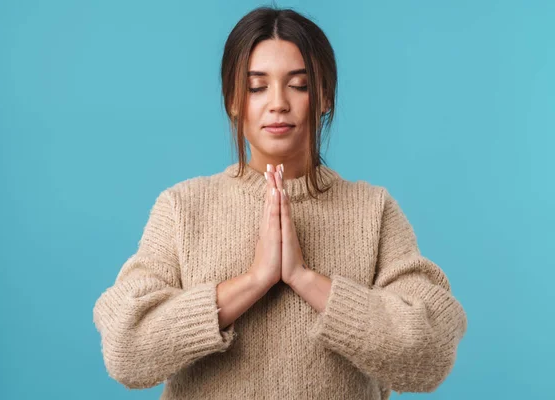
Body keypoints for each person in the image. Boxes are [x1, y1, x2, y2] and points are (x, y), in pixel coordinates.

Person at [92, 6, 467, 399]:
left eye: (299, 85)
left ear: (323, 96)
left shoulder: (373, 211)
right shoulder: (182, 208)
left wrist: (306, 280)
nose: (278, 103)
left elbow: (430, 356)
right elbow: (125, 350)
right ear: (234, 100)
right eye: (257, 87)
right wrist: (254, 282)